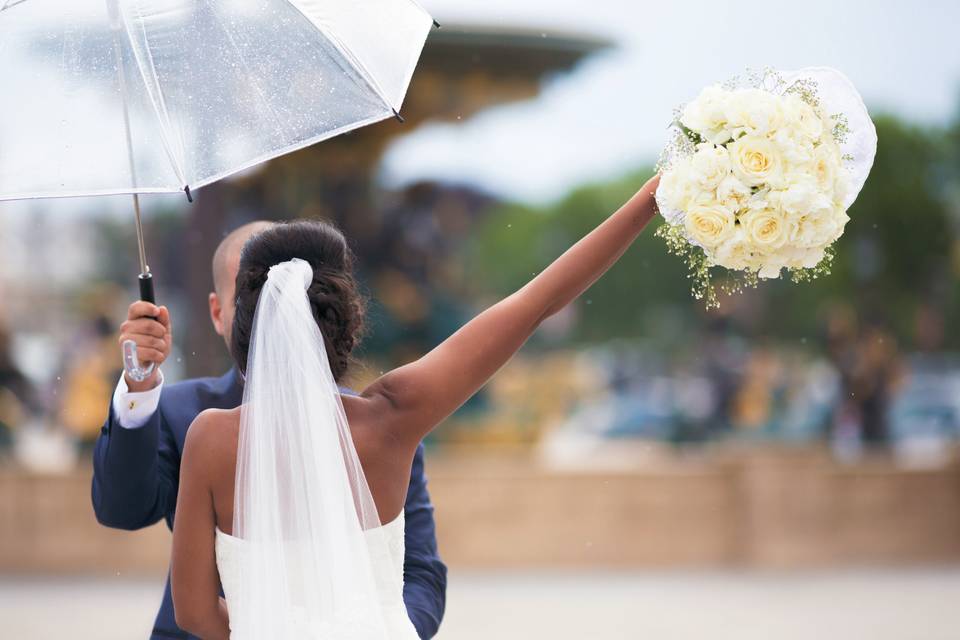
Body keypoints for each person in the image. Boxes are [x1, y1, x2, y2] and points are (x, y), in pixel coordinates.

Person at [168, 174, 661, 638]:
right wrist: (648, 202)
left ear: (244, 326)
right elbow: (538, 303)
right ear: (348, 322)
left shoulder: (210, 439)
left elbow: (193, 612)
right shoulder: (392, 417)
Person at [91, 222, 447, 640]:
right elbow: (121, 510)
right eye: (254, 301)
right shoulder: (179, 414)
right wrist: (138, 387)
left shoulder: (376, 427)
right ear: (219, 313)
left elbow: (420, 574)